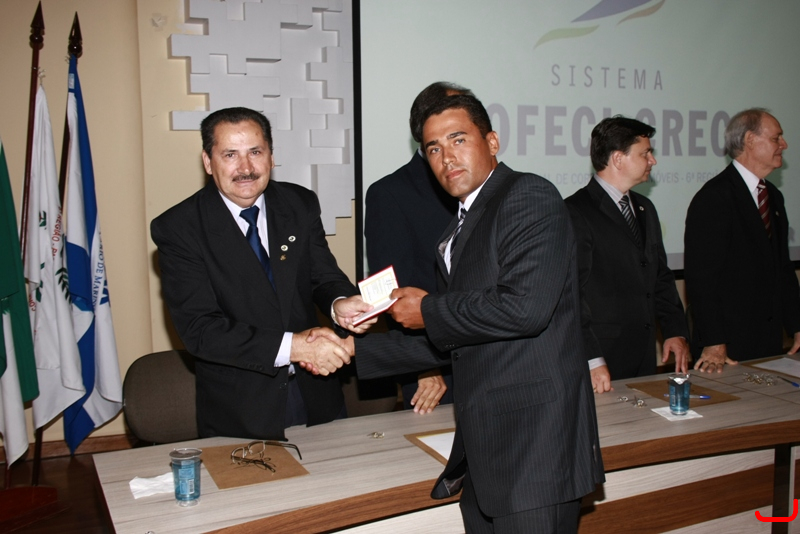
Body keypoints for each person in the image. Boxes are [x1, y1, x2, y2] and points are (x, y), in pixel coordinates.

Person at [315, 93, 604, 532]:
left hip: (536, 453)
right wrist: (351, 350)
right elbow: (463, 338)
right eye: (433, 148)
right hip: (486, 457)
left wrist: (428, 309)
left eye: (458, 139)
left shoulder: (528, 194)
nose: (446, 157)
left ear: (492, 141)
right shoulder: (460, 225)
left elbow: (524, 309)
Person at [150, 107, 373, 440]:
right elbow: (201, 331)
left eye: (255, 152)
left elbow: (323, 276)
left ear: (271, 157)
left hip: (317, 390)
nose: (245, 168)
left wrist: (338, 303)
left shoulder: (299, 203)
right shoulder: (179, 228)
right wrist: (296, 347)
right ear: (208, 162)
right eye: (230, 155)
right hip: (242, 409)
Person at [364, 82, 469, 413]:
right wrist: (424, 366)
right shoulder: (390, 193)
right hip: (435, 372)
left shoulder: (485, 187)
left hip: (494, 357)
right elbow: (391, 290)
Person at [565, 117, 690, 393]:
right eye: (645, 153)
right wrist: (592, 358)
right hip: (602, 358)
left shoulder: (645, 208)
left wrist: (674, 330)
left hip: (644, 353)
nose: (653, 160)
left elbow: (660, 275)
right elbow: (572, 294)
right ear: (618, 159)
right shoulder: (575, 211)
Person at [684, 108, 800, 372]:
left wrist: (796, 325)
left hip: (769, 339)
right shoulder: (714, 197)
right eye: (776, 138)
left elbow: (782, 268)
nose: (784, 144)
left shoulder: (773, 196)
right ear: (750, 140)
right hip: (727, 346)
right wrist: (714, 341)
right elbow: (702, 280)